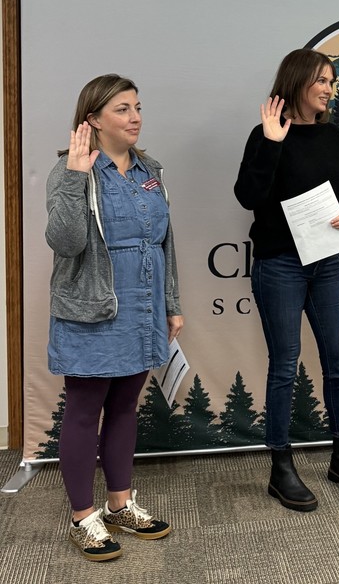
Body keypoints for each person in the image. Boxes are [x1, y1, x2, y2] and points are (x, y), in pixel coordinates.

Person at [46, 74, 183, 560]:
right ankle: (84, 517)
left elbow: (164, 242)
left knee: (126, 406)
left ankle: (120, 504)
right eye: (122, 109)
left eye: (138, 107)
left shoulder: (151, 169)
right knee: (84, 410)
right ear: (93, 120)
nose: (136, 117)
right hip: (93, 309)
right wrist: (77, 176)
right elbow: (66, 243)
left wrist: (172, 304)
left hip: (142, 305)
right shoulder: (70, 171)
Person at [234, 49, 339, 512]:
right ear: (296, 82)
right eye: (321, 80)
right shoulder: (266, 134)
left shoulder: (334, 135)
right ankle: (281, 467)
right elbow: (248, 196)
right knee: (284, 365)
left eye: (332, 81)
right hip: (280, 264)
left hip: (327, 262)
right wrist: (272, 143)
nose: (329, 88)